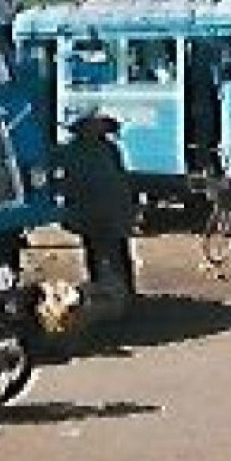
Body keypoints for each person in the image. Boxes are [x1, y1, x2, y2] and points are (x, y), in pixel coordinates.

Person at [54, 107, 137, 319]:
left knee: (118, 254)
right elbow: (67, 183)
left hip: (112, 210)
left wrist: (130, 205)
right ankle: (107, 297)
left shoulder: (110, 149)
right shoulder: (72, 152)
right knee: (98, 254)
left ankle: (125, 297)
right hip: (91, 211)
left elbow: (121, 179)